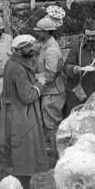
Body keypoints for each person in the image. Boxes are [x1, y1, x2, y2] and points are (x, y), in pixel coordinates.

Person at [0, 35, 48, 189]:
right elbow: (27, 97)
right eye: (29, 47)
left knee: (20, 154)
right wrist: (41, 83)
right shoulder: (19, 69)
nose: (32, 49)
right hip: (21, 115)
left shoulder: (13, 63)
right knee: (23, 153)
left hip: (14, 112)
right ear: (19, 50)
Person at [33, 16, 66, 158]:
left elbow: (50, 75)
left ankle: (57, 155)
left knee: (52, 124)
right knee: (49, 123)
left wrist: (33, 78)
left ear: (46, 32)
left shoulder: (51, 50)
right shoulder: (46, 46)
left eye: (39, 32)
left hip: (53, 92)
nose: (37, 34)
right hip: (49, 91)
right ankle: (54, 153)